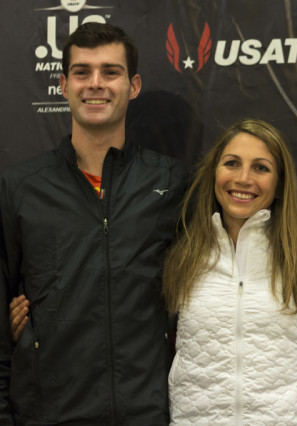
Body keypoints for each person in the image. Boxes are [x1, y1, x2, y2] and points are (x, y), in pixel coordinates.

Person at [0, 22, 188, 424]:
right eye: (82, 72)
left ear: (133, 86)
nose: (96, 84)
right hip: (49, 414)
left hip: (148, 413)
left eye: (111, 72)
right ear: (63, 85)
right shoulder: (20, 189)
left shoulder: (172, 183)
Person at [162, 119, 297, 424]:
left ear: (279, 184)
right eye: (232, 163)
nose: (243, 178)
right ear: (214, 173)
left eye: (261, 168)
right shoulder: (183, 253)